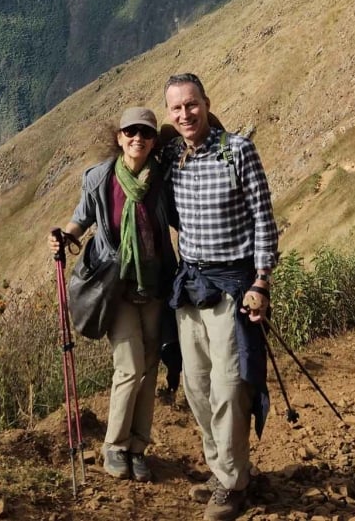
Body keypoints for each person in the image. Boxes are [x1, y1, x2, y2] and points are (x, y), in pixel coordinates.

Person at [163, 73, 279, 521]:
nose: (185, 114)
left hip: (234, 287)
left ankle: (231, 484)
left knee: (230, 386)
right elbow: (126, 167)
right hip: (190, 286)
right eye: (176, 108)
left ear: (207, 104)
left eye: (191, 105)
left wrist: (261, 281)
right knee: (196, 385)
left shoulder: (239, 152)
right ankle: (223, 469)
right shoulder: (173, 156)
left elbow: (264, 221)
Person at [48, 106, 176, 482]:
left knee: (151, 366)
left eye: (146, 133)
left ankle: (138, 447)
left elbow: (183, 219)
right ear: (119, 137)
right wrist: (64, 236)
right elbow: (82, 217)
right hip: (115, 285)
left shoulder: (164, 178)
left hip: (154, 285)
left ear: (154, 142)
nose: (138, 138)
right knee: (130, 365)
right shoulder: (101, 178)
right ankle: (114, 447)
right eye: (130, 132)